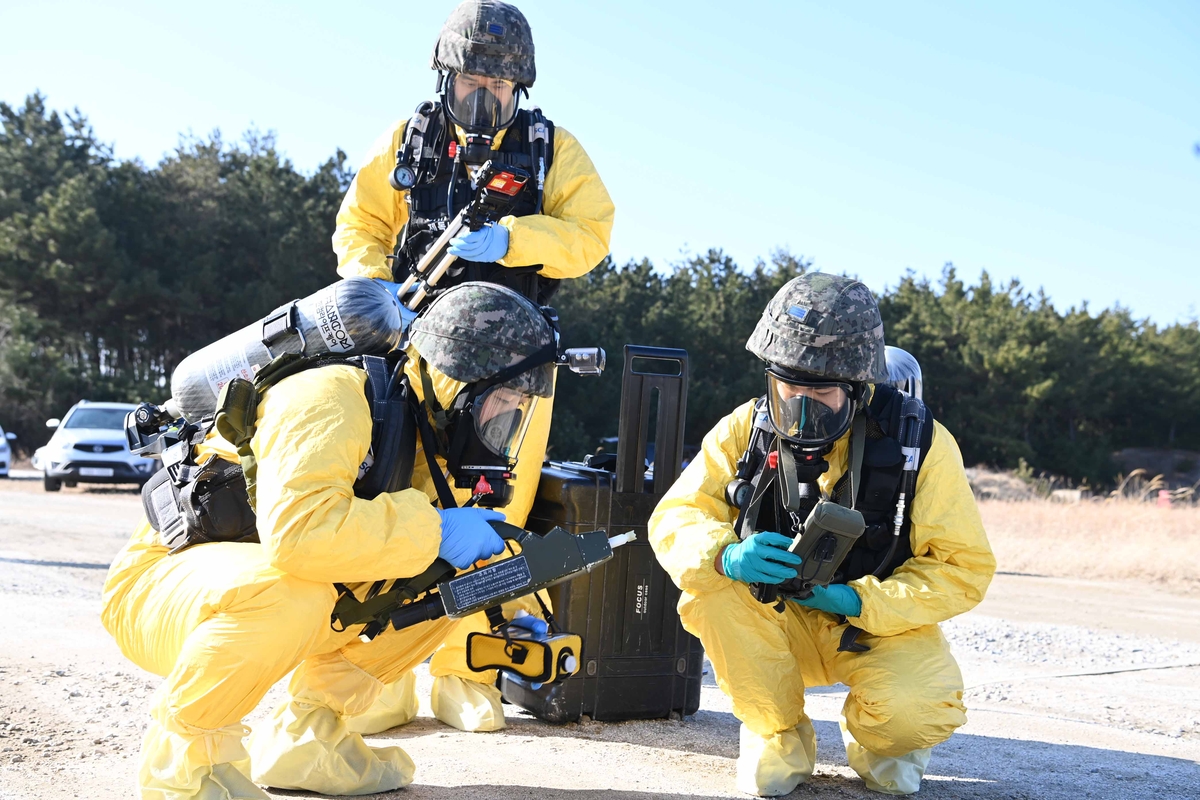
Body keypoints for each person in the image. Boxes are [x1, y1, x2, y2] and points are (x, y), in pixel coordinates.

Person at [102, 283, 557, 799]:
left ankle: (309, 739)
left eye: (519, 405)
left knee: (458, 581)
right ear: (461, 378)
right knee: (294, 592)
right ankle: (185, 769)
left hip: (252, 578)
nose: (508, 418)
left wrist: (510, 600)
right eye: (505, 399)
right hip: (161, 584)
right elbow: (300, 537)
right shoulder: (330, 396)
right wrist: (437, 530)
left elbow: (420, 544)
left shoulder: (431, 426)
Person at [333, 0, 615, 734]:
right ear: (445, 77)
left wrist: (513, 239)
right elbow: (359, 223)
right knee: (401, 496)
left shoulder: (554, 149)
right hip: (414, 352)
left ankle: (464, 672)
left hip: (514, 366)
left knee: (494, 512)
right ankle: (383, 673)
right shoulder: (406, 139)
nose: (484, 98)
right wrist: (378, 288)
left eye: (499, 87)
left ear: (521, 85)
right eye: (470, 84)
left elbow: (592, 237)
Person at [647, 273, 995, 796]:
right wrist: (725, 554)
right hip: (777, 619)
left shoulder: (920, 444)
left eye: (822, 390)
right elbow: (675, 516)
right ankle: (778, 733)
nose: (802, 403)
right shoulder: (746, 426)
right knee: (709, 591)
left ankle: (879, 743)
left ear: (857, 388)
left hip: (876, 624)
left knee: (913, 715)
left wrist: (858, 600)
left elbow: (961, 567)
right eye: (789, 385)